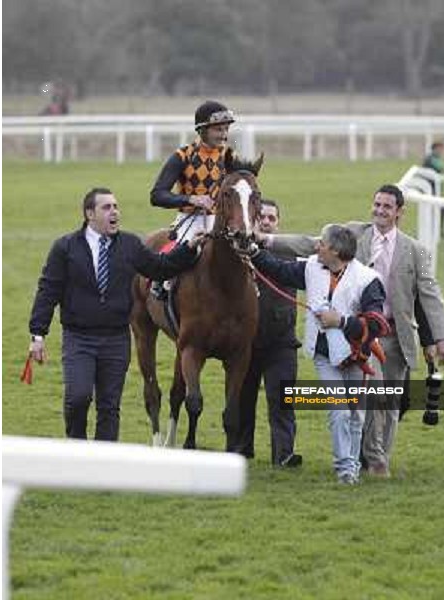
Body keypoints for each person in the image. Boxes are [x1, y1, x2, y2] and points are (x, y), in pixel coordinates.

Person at [258, 184, 444, 477]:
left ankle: (376, 456)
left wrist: (442, 337)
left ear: (400, 212)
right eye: (377, 204)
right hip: (358, 334)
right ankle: (373, 461)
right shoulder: (352, 234)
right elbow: (309, 244)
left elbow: (430, 293)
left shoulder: (419, 251)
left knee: (388, 405)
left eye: (387, 206)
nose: (380, 211)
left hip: (397, 337)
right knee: (369, 399)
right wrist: (266, 240)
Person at [27, 187, 203, 441]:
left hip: (116, 340)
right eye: (107, 207)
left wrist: (188, 248)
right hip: (79, 339)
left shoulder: (130, 245)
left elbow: (160, 267)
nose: (115, 212)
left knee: (109, 407)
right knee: (78, 397)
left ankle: (103, 463)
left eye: (116, 207)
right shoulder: (65, 248)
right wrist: (38, 335)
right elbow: (48, 290)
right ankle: (76, 447)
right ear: (90, 214)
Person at [249, 225, 388, 484]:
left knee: (355, 413)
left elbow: (378, 324)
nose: (316, 246)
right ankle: (345, 470)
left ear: (335, 251)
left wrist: (342, 322)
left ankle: (353, 465)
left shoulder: (368, 280)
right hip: (324, 355)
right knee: (339, 411)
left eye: (321, 243)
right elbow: (279, 270)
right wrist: (253, 252)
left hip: (357, 357)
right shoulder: (312, 267)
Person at [235, 199, 303, 468]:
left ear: (279, 223)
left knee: (283, 399)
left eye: (272, 218)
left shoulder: (290, 254)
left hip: (282, 342)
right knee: (242, 400)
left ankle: (284, 455)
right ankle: (241, 451)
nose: (265, 221)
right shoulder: (235, 254)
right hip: (245, 343)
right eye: (261, 216)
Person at [148, 99, 237, 298]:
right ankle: (161, 283)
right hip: (190, 221)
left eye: (225, 129)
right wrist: (191, 200)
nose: (223, 135)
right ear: (202, 130)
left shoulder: (230, 156)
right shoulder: (182, 156)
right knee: (187, 252)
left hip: (222, 221)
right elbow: (157, 195)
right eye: (218, 130)